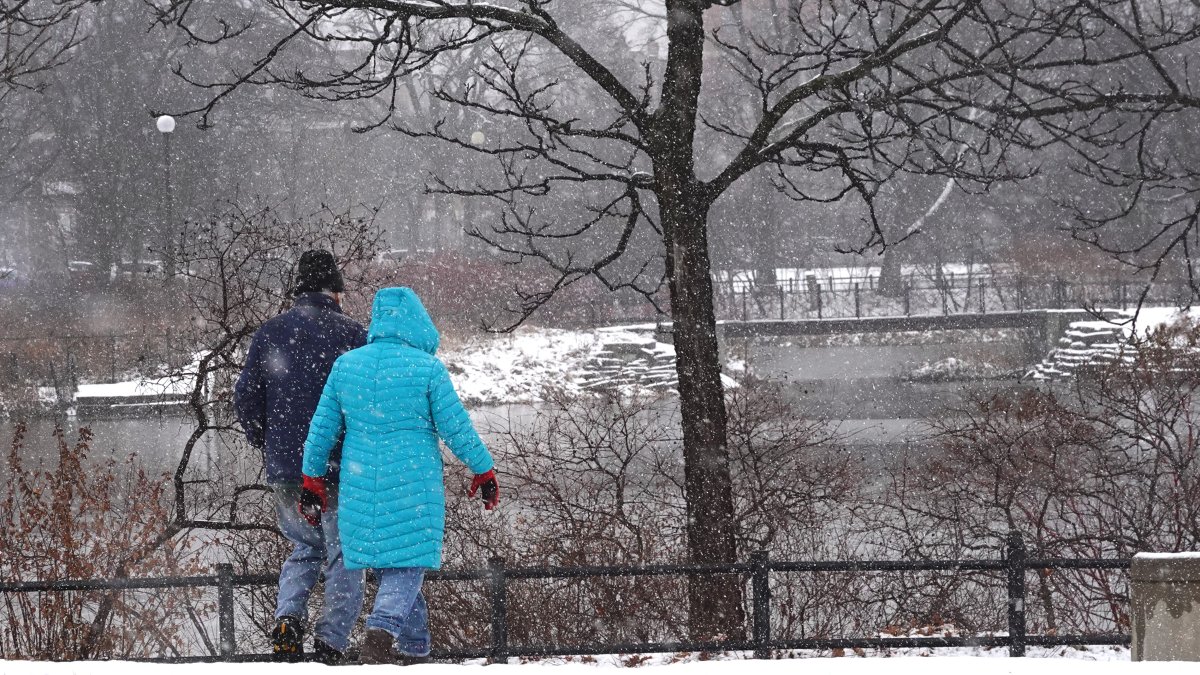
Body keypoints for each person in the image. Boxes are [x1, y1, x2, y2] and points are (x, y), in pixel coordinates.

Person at [299, 286, 500, 665]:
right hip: (413, 485)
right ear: (417, 322)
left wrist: (312, 479)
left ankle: (415, 653)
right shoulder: (426, 369)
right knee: (407, 566)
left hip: (360, 488)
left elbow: (321, 428)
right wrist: (483, 469)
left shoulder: (347, 366)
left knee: (396, 570)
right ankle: (381, 630)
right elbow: (456, 428)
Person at [233, 250, 367, 664]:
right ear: (337, 291)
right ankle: (331, 642)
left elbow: (245, 396)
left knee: (303, 548)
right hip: (338, 465)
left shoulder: (270, 332)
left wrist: (266, 440)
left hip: (287, 465)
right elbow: (364, 402)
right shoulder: (351, 335)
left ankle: (288, 621)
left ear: (298, 290)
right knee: (344, 553)